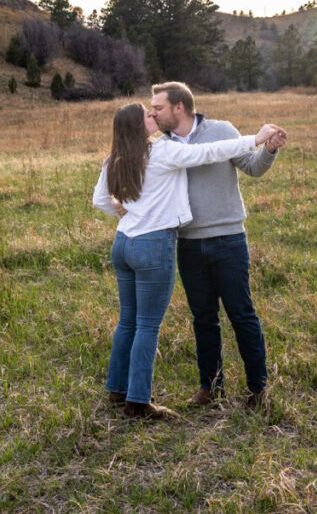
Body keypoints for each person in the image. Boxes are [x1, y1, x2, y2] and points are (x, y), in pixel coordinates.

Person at [92, 103, 280, 419]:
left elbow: (99, 199)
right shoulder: (161, 151)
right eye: (148, 115)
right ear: (139, 127)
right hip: (152, 245)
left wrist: (124, 210)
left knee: (128, 320)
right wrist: (255, 139)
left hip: (123, 243)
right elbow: (209, 152)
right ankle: (137, 402)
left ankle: (117, 389)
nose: (154, 116)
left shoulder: (115, 158)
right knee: (147, 324)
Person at [148, 81, 287, 408]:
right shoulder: (162, 146)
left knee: (241, 314)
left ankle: (258, 389)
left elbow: (252, 167)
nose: (153, 114)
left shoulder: (222, 130)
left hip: (229, 240)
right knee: (203, 318)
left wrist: (268, 150)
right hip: (188, 245)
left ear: (179, 107)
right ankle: (210, 388)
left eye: (158, 108)